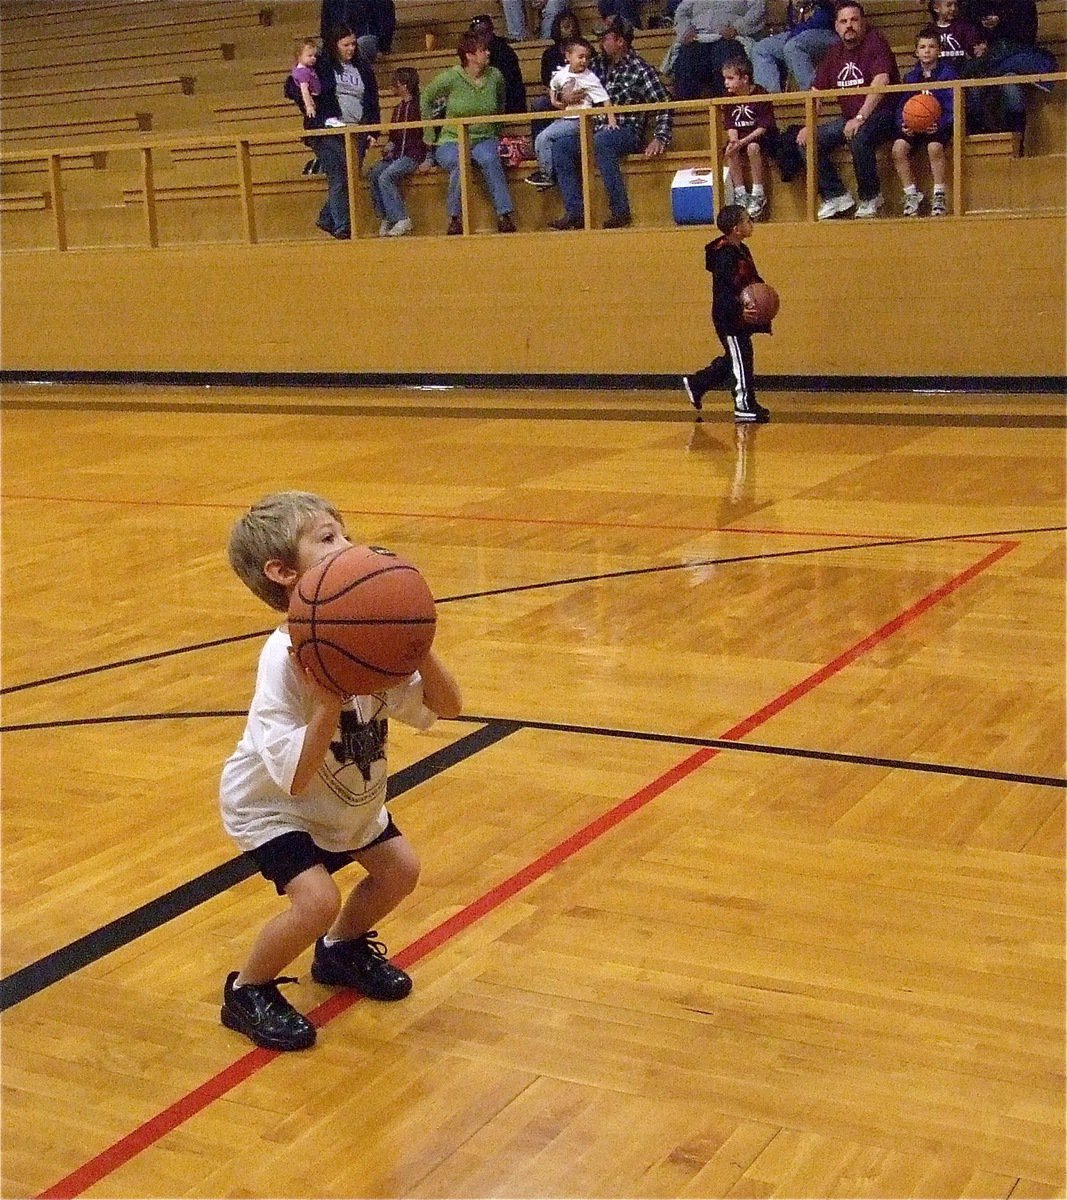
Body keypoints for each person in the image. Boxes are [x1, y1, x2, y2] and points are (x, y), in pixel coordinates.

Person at [219, 491, 462, 1052]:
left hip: (345, 794)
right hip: (272, 804)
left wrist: (419, 645)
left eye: (345, 533)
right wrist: (329, 704)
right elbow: (294, 780)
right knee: (317, 900)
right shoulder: (284, 660)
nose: (348, 546)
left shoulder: (368, 638)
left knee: (400, 870)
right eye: (327, 538)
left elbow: (447, 708)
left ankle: (340, 951)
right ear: (283, 573)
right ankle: (246, 990)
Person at [548, 16, 673, 230]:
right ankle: (575, 211)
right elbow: (563, 81)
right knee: (561, 147)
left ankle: (620, 210)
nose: (600, 43)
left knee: (602, 142)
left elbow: (664, 103)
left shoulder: (641, 69)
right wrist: (563, 95)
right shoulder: (593, 65)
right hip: (593, 127)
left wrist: (660, 136)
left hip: (626, 130)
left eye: (605, 38)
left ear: (620, 41)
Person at [796, 1, 899, 220]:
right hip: (850, 117)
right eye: (843, 21)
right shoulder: (834, 52)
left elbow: (881, 81)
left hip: (883, 114)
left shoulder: (876, 42)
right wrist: (809, 124)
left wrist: (861, 117)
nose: (849, 25)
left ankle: (871, 196)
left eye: (854, 20)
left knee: (858, 135)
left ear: (864, 23)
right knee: (807, 140)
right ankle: (837, 196)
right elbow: (816, 92)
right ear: (836, 26)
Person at [682, 203, 772, 423]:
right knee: (741, 357)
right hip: (729, 316)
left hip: (738, 316)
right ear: (736, 228)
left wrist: (764, 298)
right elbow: (725, 291)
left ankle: (698, 383)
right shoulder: (724, 255)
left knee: (737, 357)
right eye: (747, 220)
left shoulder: (742, 250)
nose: (751, 223)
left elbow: (752, 281)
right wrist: (740, 311)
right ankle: (744, 404)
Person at [421, 31, 519, 234]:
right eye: (483, 50)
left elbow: (500, 102)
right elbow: (426, 98)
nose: (488, 53)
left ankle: (504, 214)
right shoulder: (451, 77)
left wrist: (496, 128)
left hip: (484, 137)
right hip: (452, 139)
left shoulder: (496, 76)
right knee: (460, 161)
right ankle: (454, 217)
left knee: (491, 159)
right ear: (469, 55)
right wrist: (429, 133)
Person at [526, 36, 616, 189]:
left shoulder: (590, 78)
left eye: (586, 58)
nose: (583, 61)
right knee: (542, 138)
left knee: (544, 137)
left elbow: (605, 99)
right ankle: (548, 172)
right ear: (568, 56)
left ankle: (547, 174)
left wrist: (611, 120)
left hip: (580, 120)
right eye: (580, 57)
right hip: (566, 117)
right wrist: (555, 101)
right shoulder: (561, 74)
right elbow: (553, 85)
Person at [961, 0, 1056, 140]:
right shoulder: (973, 4)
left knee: (1010, 86)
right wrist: (978, 43)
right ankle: (979, 136)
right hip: (986, 54)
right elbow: (968, 26)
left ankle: (1017, 140)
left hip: (1012, 51)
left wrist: (1000, 23)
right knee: (974, 86)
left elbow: (1027, 35)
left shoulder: (1023, 4)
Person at [892, 26, 956, 217]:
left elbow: (953, 104)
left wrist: (941, 122)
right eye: (922, 47)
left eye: (931, 46)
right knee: (898, 149)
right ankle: (911, 194)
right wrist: (903, 122)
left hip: (938, 123)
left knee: (934, 148)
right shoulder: (911, 77)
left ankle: (939, 194)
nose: (927, 50)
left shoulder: (948, 74)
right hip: (915, 124)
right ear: (916, 51)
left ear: (939, 50)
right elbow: (902, 105)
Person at [367, 67, 429, 236]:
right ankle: (387, 215)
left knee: (386, 176)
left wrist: (428, 158)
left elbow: (430, 134)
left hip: (414, 154)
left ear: (404, 85)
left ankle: (401, 217)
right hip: (396, 154)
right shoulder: (398, 108)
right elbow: (395, 137)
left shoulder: (421, 106)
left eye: (395, 84)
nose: (392, 87)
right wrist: (390, 146)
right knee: (373, 173)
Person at [669, 0, 766, 101]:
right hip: (699, 36)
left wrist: (737, 28)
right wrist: (685, 29)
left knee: (724, 55)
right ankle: (685, 109)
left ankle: (729, 105)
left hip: (732, 36)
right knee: (686, 57)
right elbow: (681, 13)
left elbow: (758, 10)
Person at [721, 52, 779, 219]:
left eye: (731, 78)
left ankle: (758, 193)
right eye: (725, 78)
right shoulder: (728, 98)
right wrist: (734, 141)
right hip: (740, 138)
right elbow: (730, 124)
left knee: (753, 147)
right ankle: (740, 193)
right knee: (730, 150)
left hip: (761, 137)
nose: (726, 83)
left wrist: (743, 141)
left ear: (745, 79)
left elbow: (763, 127)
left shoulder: (761, 93)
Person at [750, 0, 837, 94]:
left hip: (827, 33)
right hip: (798, 35)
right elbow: (793, 23)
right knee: (761, 49)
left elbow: (823, 20)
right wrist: (796, 8)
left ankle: (812, 95)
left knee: (793, 46)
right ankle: (769, 100)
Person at [469, 13, 528, 113]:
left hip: (508, 105)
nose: (481, 37)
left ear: (491, 32)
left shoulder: (505, 52)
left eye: (484, 33)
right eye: (478, 34)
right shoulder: (472, 52)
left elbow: (507, 88)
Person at [926, 0, 981, 70]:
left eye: (955, 5)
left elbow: (973, 50)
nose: (953, 8)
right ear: (936, 8)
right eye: (949, 5)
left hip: (962, 70)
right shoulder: (929, 31)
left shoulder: (965, 28)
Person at [291, 38, 321, 122]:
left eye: (314, 56)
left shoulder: (308, 69)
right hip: (312, 98)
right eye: (309, 56)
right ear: (299, 56)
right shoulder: (302, 72)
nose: (313, 58)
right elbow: (304, 90)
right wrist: (309, 105)